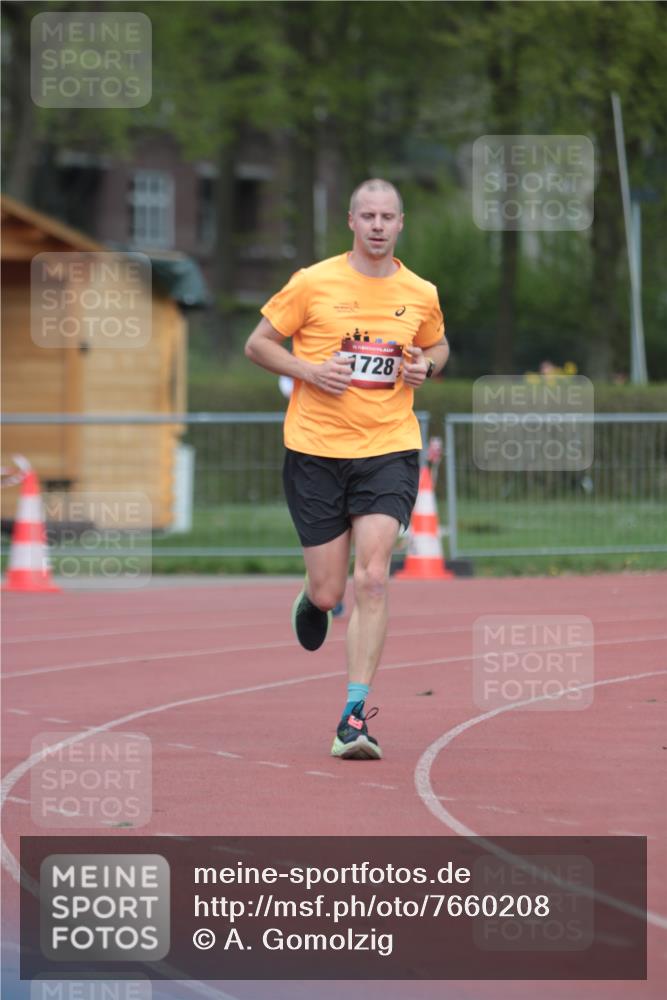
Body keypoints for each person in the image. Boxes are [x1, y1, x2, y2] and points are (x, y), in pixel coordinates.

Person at [245, 178, 449, 760]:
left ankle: (353, 718)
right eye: (369, 216)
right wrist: (310, 371)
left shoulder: (421, 291)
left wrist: (424, 368)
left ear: (401, 223)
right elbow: (258, 344)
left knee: (374, 578)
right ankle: (313, 599)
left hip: (388, 447)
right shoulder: (313, 283)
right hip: (316, 450)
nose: (378, 225)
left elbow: (438, 347)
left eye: (388, 216)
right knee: (333, 587)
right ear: (351, 222)